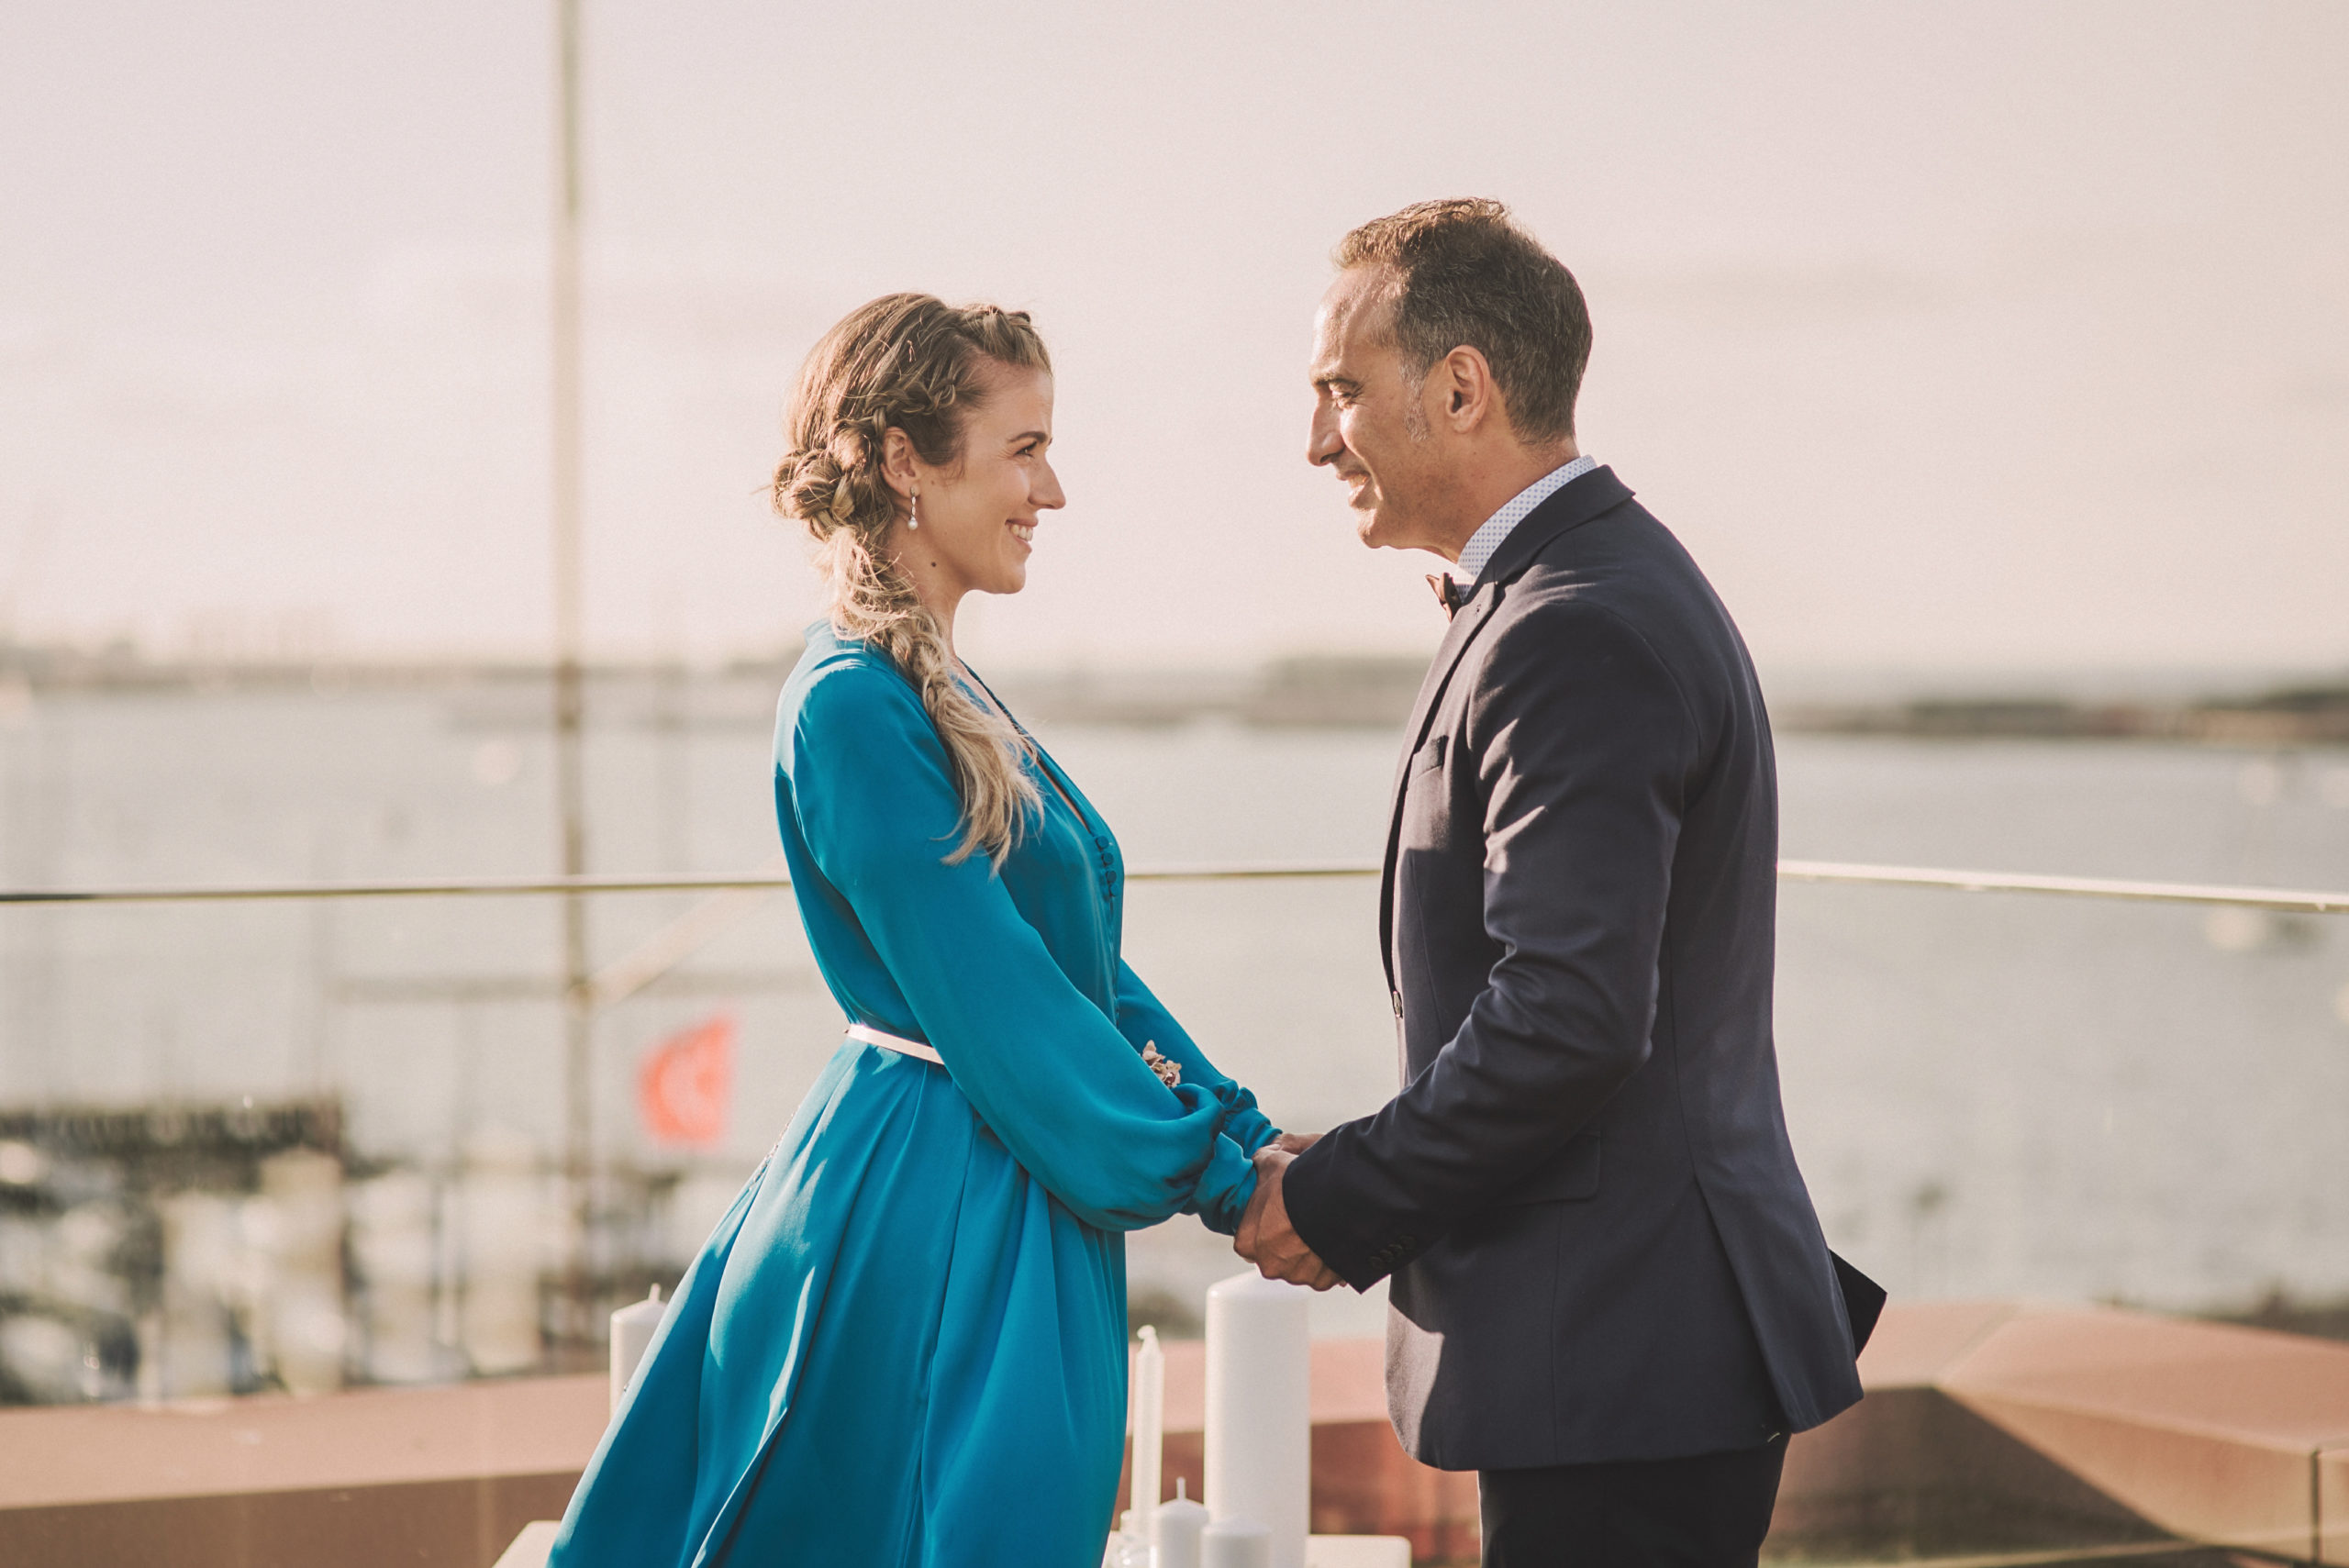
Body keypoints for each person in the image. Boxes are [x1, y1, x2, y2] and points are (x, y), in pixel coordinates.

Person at [548, 294, 1279, 1568]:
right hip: (931, 1212)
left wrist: (1245, 1134)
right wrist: (1227, 1173)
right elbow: (1004, 999)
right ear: (904, 463)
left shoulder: (933, 690)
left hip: (1000, 1171)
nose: (1051, 490)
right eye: (1024, 448)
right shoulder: (849, 708)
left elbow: (1075, 977)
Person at [1234, 201, 1876, 1565]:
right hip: (1627, 1347)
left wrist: (1345, 1194)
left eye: (1339, 391)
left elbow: (1569, 1014)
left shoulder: (1569, 628)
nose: (1312, 439)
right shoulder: (1573, 590)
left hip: (1627, 1354)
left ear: (1461, 387)